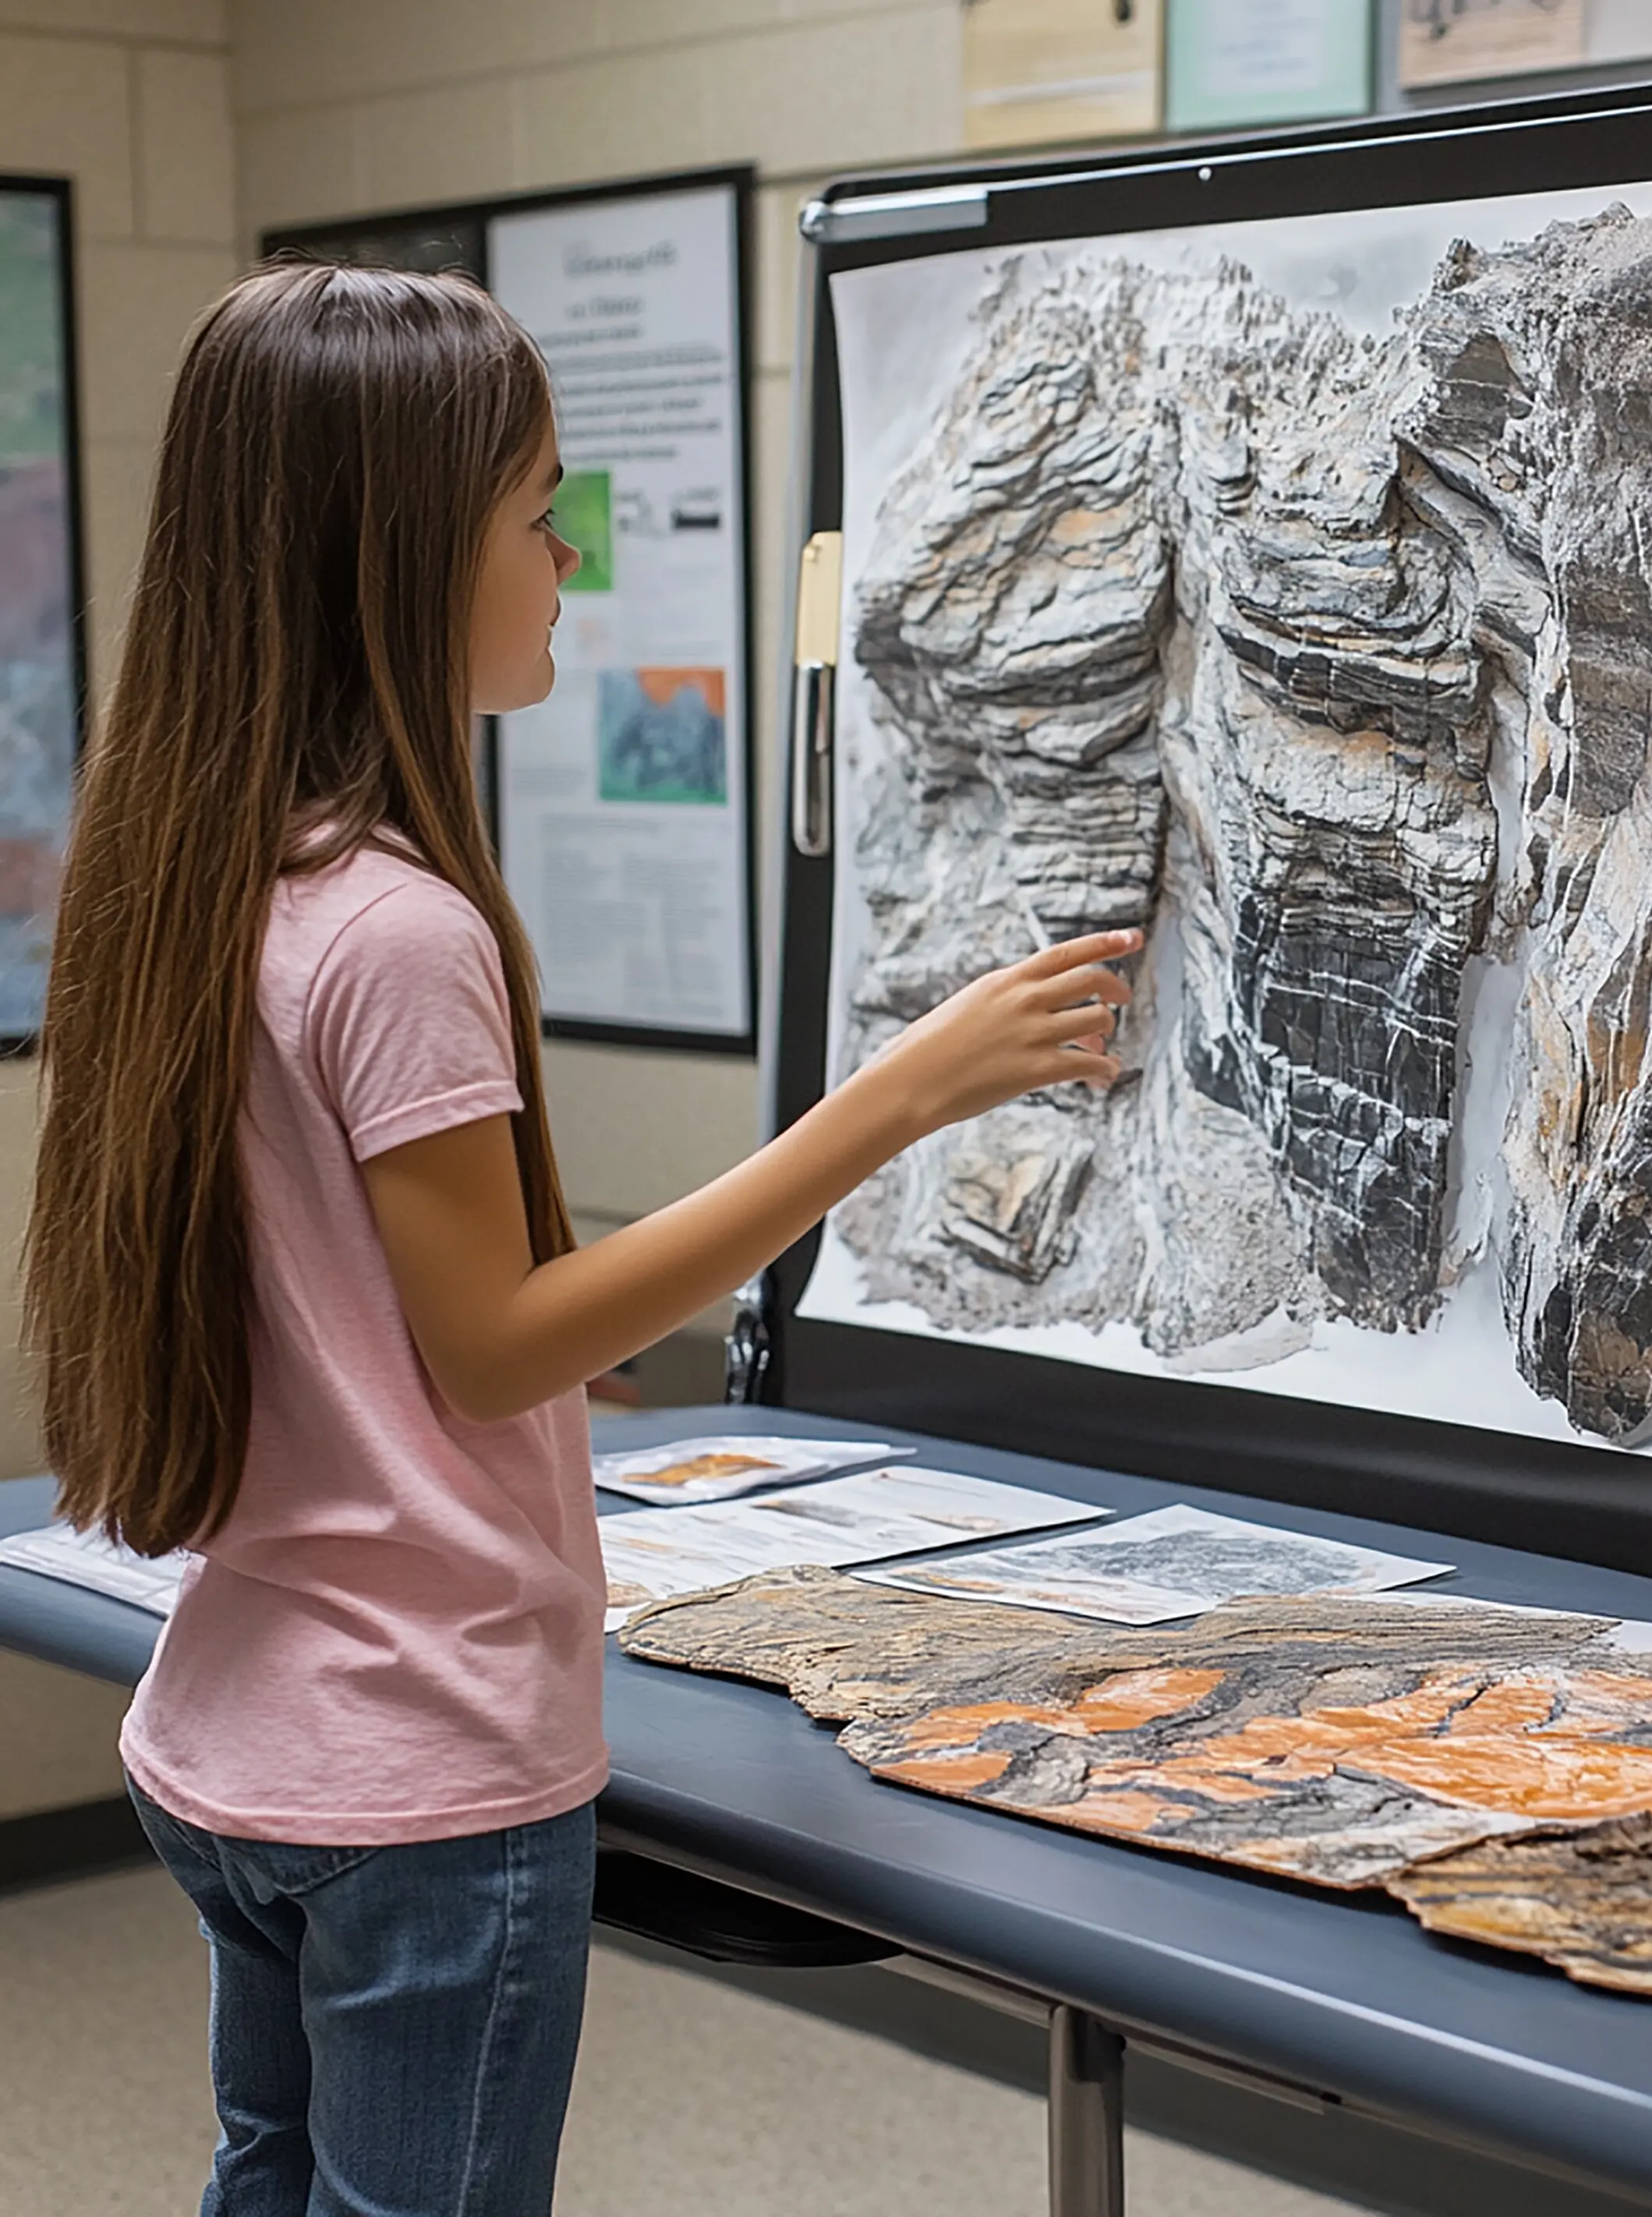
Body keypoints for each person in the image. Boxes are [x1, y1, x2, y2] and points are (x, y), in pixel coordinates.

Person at [22, 260, 1139, 2217]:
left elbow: (348, 1304)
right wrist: (893, 1099)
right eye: (539, 518)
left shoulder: (200, 876)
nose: (568, 569)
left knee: (264, 2182)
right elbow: (490, 1346)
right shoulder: (400, 930)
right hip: (417, 1778)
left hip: (237, 1733)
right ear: (397, 550)